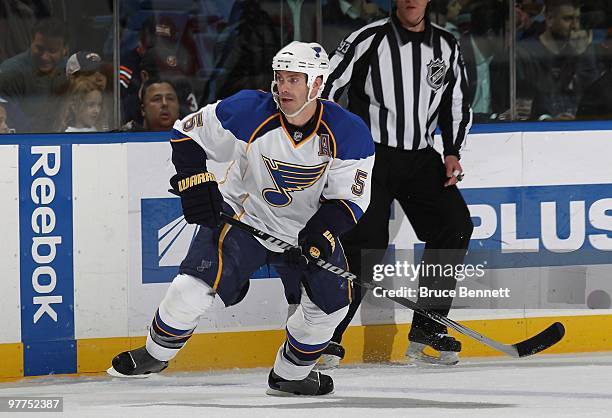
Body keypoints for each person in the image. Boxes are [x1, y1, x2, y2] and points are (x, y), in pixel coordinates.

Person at [107, 41, 375, 396]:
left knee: (330, 309)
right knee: (189, 289)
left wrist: (320, 232)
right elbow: (186, 132)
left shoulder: (348, 132)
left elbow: (348, 201)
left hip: (305, 231)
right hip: (241, 217)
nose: (284, 87)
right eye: (280, 78)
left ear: (317, 84)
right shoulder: (250, 110)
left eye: (295, 79)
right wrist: (195, 183)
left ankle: (290, 375)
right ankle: (155, 354)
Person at [319, 0, 473, 368]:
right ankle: (324, 337)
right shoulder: (367, 39)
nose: (410, 1)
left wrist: (451, 151)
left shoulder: (446, 46)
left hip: (421, 156)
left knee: (454, 227)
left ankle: (427, 330)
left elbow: (457, 102)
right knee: (363, 242)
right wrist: (326, 142)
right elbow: (325, 88)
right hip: (371, 156)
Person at [517, 0, 599, 120]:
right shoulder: (526, 52)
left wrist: (583, 55)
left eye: (578, 19)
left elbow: (594, 96)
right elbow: (535, 99)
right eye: (568, 19)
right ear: (549, 18)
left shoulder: (582, 49)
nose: (575, 26)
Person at [0, 17, 68, 132]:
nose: (44, 57)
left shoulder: (71, 72)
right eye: (39, 48)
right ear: (31, 43)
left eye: (52, 51)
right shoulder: (9, 72)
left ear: (65, 50)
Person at [459, 0, 509, 122]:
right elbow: (452, 114)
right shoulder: (455, 58)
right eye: (508, 32)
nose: (512, 37)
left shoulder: (503, 60)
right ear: (491, 35)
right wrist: (492, 118)